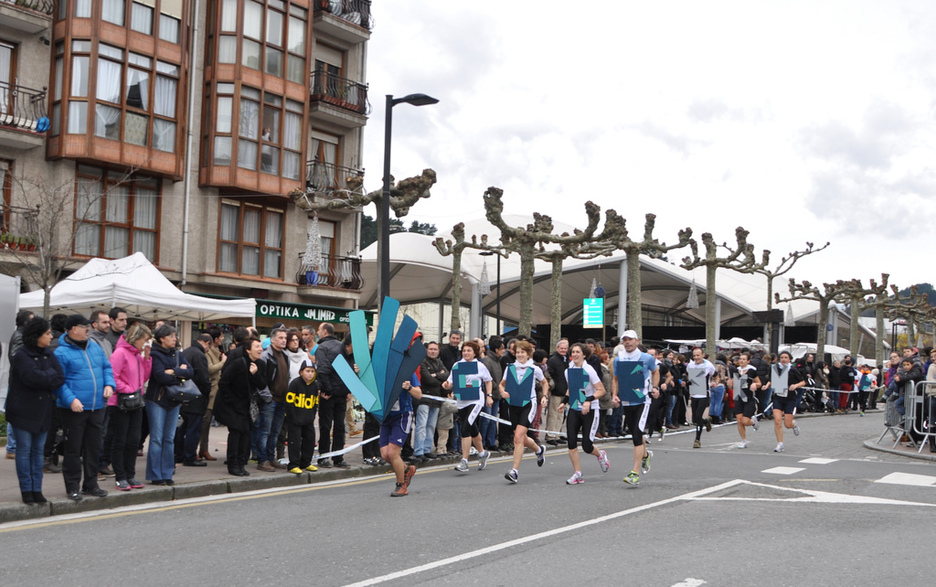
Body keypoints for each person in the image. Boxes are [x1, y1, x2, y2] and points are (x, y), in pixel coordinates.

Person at [54, 314, 115, 501]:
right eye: (84, 326)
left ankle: (91, 484)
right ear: (73, 328)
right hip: (74, 409)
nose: (88, 329)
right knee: (73, 449)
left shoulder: (94, 347)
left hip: (97, 406)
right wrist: (71, 399)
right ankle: (72, 487)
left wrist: (109, 384)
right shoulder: (60, 353)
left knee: (93, 447)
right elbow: (58, 381)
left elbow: (106, 367)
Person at [5, 317, 65, 504]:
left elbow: (60, 377)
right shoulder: (22, 355)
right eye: (47, 333)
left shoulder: (49, 354)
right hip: (23, 410)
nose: (51, 336)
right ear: (37, 335)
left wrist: (45, 377)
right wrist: (48, 376)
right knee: (24, 451)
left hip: (43, 410)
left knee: (38, 451)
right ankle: (26, 490)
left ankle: (37, 489)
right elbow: (31, 378)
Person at [145, 324, 192, 486]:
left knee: (169, 439)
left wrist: (173, 371)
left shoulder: (178, 354)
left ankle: (167, 473)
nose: (175, 339)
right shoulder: (155, 354)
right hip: (157, 400)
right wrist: (180, 372)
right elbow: (159, 376)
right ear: (161, 338)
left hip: (174, 400)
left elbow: (190, 372)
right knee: (157, 438)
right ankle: (155, 474)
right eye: (171, 336)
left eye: (175, 336)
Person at [610, 330, 659, 486]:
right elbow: (615, 379)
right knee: (634, 434)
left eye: (630, 339)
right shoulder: (618, 359)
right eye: (624, 340)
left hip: (642, 400)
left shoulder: (647, 358)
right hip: (626, 401)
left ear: (637, 341)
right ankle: (645, 455)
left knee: (637, 434)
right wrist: (614, 395)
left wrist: (656, 387)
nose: (627, 342)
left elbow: (656, 371)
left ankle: (635, 472)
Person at [108, 322, 152, 490]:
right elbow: (113, 376)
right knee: (120, 440)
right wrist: (129, 390)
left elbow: (144, 377)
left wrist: (147, 359)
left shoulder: (136, 355)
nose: (146, 343)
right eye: (145, 340)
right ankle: (121, 476)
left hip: (135, 402)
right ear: (136, 338)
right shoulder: (120, 353)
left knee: (133, 440)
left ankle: (130, 475)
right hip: (120, 403)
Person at [558, 343, 610, 485]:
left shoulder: (589, 370)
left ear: (584, 355)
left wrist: (588, 400)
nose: (574, 354)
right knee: (571, 443)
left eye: (577, 352)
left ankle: (600, 455)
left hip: (591, 410)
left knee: (587, 446)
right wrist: (564, 402)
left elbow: (601, 390)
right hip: (575, 408)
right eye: (573, 352)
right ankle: (578, 474)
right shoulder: (569, 370)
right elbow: (571, 388)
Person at [215, 337, 267, 476]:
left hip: (247, 406)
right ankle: (233, 465)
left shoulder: (260, 364)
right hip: (232, 405)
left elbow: (262, 385)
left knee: (245, 434)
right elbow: (224, 383)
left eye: (261, 346)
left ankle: (241, 464)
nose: (260, 349)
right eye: (257, 347)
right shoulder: (238, 363)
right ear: (248, 349)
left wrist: (255, 374)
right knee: (236, 433)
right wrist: (232, 401)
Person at [499, 340, 546, 484]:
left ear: (528, 354)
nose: (520, 355)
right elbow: (502, 384)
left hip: (528, 403)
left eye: (522, 352)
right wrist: (502, 392)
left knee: (518, 437)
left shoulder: (534, 369)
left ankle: (514, 471)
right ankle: (539, 450)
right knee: (521, 438)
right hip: (513, 404)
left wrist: (544, 397)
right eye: (518, 352)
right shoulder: (510, 368)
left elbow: (545, 383)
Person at [443, 340, 493, 473]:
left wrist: (489, 395)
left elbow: (488, 381)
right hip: (462, 400)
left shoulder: (479, 366)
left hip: (476, 400)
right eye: (464, 350)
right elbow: (450, 382)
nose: (466, 353)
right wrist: (446, 385)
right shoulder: (457, 365)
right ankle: (482, 453)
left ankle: (464, 461)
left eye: (469, 350)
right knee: (472, 429)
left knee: (465, 429)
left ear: (475, 352)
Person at [381, 351, 422, 497]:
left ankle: (401, 485)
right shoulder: (381, 372)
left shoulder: (406, 372)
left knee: (393, 452)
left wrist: (409, 388)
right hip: (386, 416)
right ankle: (407, 470)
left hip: (403, 415)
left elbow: (419, 394)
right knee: (385, 455)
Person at [314, 322, 351, 468]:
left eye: (318, 329)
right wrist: (347, 390)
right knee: (339, 426)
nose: (317, 332)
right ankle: (338, 457)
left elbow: (322, 371)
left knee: (325, 426)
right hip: (341, 393)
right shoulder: (341, 347)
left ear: (324, 332)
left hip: (329, 395)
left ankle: (324, 457)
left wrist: (327, 391)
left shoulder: (322, 348)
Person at [256, 327, 289, 472]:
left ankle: (271, 458)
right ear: (273, 339)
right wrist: (268, 397)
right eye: (281, 338)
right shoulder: (265, 356)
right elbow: (261, 381)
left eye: (285, 338)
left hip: (282, 400)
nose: (283, 340)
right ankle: (262, 460)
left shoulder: (285, 355)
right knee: (265, 431)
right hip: (270, 400)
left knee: (275, 432)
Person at [178, 333, 212, 467]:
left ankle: (179, 454)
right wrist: (207, 388)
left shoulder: (185, 352)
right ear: (206, 343)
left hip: (184, 395)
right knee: (194, 428)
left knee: (184, 427)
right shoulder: (199, 355)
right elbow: (203, 378)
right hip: (196, 396)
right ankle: (190, 456)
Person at [6, 309, 35, 461]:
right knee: (15, 413)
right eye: (31, 320)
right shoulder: (20, 336)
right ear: (25, 322)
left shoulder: (22, 335)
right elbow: (14, 357)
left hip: (19, 381)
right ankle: (12, 447)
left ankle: (13, 446)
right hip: (18, 383)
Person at [763, 351, 805, 453]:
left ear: (789, 359)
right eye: (782, 357)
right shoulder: (775, 369)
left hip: (790, 398)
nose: (784, 359)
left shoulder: (793, 370)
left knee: (787, 424)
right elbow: (771, 380)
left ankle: (793, 424)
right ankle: (780, 444)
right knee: (777, 420)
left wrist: (795, 386)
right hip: (778, 397)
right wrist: (767, 385)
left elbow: (803, 382)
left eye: (786, 357)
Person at [413, 341, 447, 462]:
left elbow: (447, 375)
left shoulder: (439, 362)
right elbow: (427, 379)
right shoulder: (422, 362)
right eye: (431, 349)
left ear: (438, 351)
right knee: (421, 426)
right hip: (423, 398)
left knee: (431, 426)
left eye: (435, 349)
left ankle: (427, 450)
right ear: (426, 350)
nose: (433, 351)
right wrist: (440, 377)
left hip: (436, 399)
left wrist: (435, 375)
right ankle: (418, 451)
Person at [198, 327, 226, 461]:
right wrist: (223, 362)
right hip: (210, 393)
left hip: (218, 393)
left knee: (209, 423)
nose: (223, 339)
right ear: (215, 339)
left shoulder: (218, 352)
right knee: (205, 422)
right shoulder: (208, 353)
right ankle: (201, 449)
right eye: (221, 336)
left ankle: (204, 449)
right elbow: (210, 369)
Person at [286, 360, 319, 474]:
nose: (310, 374)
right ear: (301, 372)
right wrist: (292, 417)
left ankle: (306, 462)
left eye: (312, 371)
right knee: (294, 442)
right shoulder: (295, 384)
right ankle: (293, 464)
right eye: (307, 371)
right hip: (295, 419)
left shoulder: (315, 385)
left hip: (308, 419)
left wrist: (312, 416)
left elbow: (315, 403)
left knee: (309, 441)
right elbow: (289, 402)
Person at [686, 347, 716, 448]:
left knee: (698, 415)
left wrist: (714, 382)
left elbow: (714, 374)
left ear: (703, 355)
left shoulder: (708, 365)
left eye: (698, 355)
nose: (696, 357)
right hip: (694, 393)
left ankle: (697, 440)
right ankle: (705, 421)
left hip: (704, 393)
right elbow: (689, 375)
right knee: (695, 419)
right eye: (694, 355)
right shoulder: (690, 365)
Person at [732, 352, 762, 449]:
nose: (741, 360)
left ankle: (753, 422)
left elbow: (759, 383)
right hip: (738, 397)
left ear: (748, 361)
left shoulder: (752, 371)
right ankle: (744, 441)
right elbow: (734, 384)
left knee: (745, 421)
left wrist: (755, 385)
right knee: (739, 421)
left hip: (748, 398)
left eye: (744, 359)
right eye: (740, 359)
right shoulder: (736, 371)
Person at [545, 339, 570, 446]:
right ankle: (550, 435)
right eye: (561, 348)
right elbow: (548, 375)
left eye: (565, 348)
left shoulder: (566, 360)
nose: (563, 350)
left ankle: (557, 434)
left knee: (560, 415)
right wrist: (552, 385)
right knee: (553, 414)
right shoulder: (553, 360)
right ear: (557, 348)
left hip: (564, 391)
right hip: (556, 391)